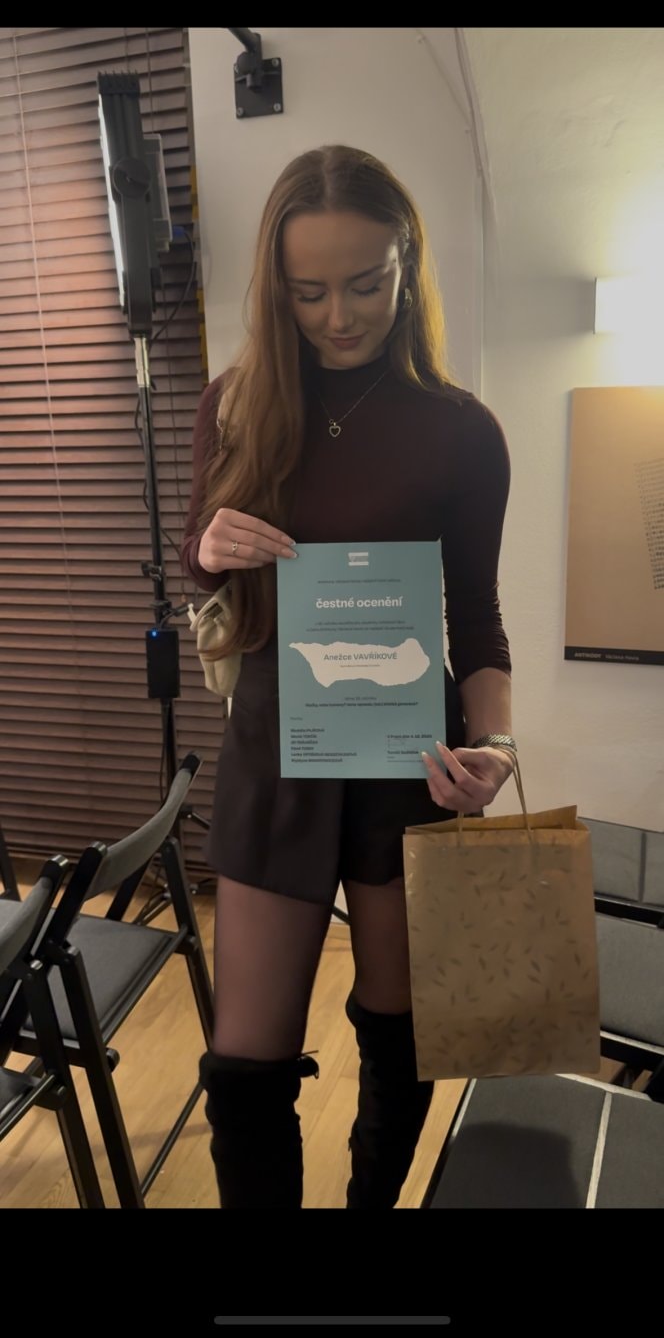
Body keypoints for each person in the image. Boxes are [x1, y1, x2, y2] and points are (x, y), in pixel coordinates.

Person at [182, 145, 514, 1209]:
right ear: (275, 286)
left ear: (406, 263)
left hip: (405, 763)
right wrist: (211, 549)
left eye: (366, 283)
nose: (338, 316)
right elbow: (198, 566)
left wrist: (495, 746)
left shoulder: (461, 430)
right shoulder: (236, 407)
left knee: (399, 1033)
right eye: (308, 290)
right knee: (244, 1067)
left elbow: (478, 617)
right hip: (273, 754)